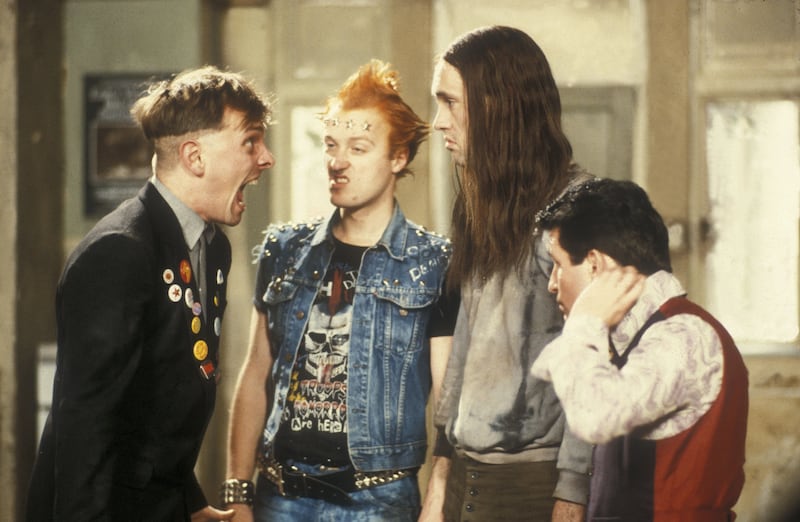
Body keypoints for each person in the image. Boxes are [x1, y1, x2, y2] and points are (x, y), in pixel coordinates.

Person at [26, 65, 276, 522]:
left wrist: (192, 505)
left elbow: (155, 413)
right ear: (195, 157)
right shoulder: (120, 252)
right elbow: (87, 427)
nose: (266, 158)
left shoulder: (212, 246)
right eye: (250, 141)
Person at [223, 59, 456, 521]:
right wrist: (238, 491)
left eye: (359, 147)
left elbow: (448, 402)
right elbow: (255, 376)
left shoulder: (433, 262)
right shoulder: (285, 248)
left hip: (380, 499)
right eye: (332, 145)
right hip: (281, 495)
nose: (338, 161)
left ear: (398, 158)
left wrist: (438, 497)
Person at [423, 25, 593, 522]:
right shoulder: (482, 206)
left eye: (449, 102)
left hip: (531, 485)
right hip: (465, 478)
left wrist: (572, 496)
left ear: (496, 104)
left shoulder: (582, 210)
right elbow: (466, 345)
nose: (438, 122)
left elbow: (593, 361)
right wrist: (439, 479)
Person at [532, 178, 748, 521]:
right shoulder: (635, 338)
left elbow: (594, 418)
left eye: (558, 264)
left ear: (594, 264)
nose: (552, 283)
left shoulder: (684, 336)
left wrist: (585, 323)